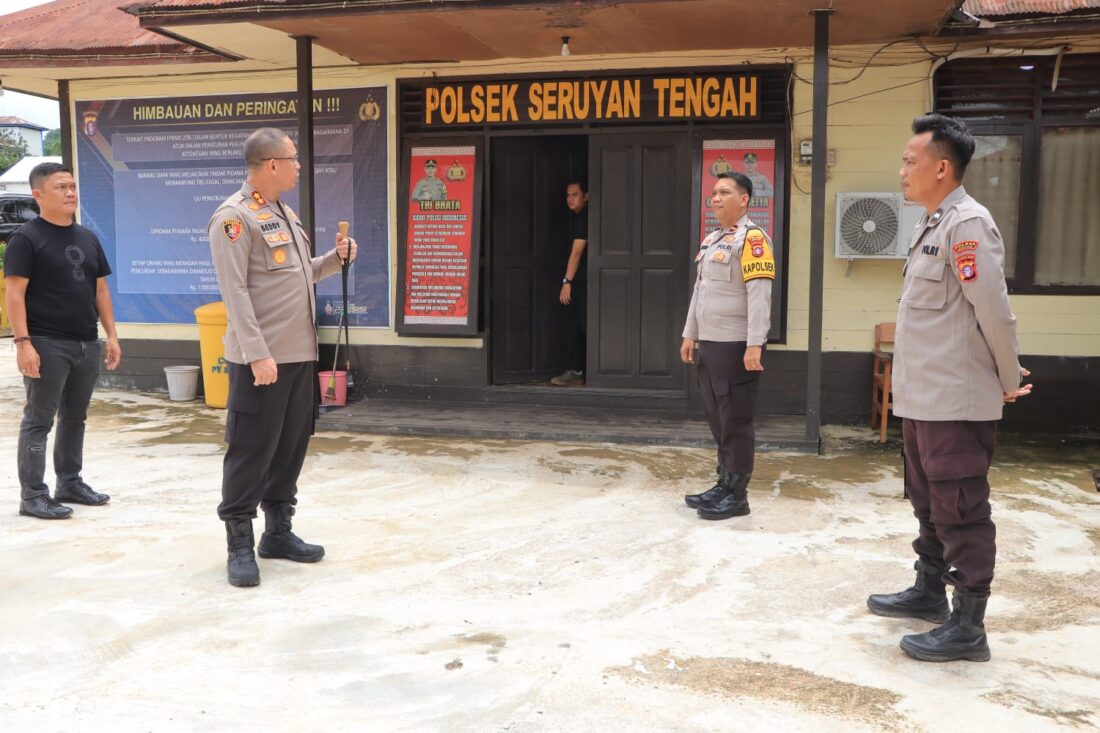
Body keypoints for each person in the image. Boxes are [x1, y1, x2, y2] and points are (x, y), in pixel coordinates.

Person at [866, 114, 1032, 662]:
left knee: (961, 509)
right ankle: (930, 590)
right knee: (928, 502)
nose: (901, 171)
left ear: (941, 168)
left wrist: (1008, 378)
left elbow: (994, 310)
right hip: (923, 397)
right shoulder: (931, 224)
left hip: (955, 401)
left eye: (909, 162)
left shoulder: (969, 225)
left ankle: (968, 627)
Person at [207, 127, 357, 588]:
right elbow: (235, 293)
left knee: (290, 446)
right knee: (251, 449)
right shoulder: (233, 218)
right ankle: (239, 544)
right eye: (293, 158)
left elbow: (298, 276)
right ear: (271, 164)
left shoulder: (281, 213)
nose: (298, 166)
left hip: (298, 355)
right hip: (263, 360)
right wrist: (257, 354)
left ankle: (277, 533)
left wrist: (334, 259)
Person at [4, 161, 121, 520]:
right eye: (61, 187)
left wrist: (111, 335)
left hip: (86, 341)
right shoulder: (26, 239)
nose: (70, 193)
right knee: (39, 420)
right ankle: (33, 495)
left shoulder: (87, 237)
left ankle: (69, 482)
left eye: (72, 186)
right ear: (38, 195)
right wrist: (23, 342)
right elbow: (14, 295)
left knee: (75, 417)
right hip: (45, 342)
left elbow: (100, 289)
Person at [680, 172, 774, 520]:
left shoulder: (753, 239)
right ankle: (724, 484)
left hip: (735, 346)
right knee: (718, 419)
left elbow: (760, 295)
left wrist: (755, 343)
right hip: (710, 344)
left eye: (724, 192)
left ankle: (737, 496)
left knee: (735, 420)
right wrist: (690, 334)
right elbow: (699, 291)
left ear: (744, 199)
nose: (715, 198)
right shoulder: (713, 239)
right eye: (714, 193)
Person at [551, 179, 589, 387]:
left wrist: (567, 281)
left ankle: (577, 370)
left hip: (581, 282)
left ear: (586, 196)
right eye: (568, 195)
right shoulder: (578, 217)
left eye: (575, 194)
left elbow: (576, 253)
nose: (570, 199)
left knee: (578, 324)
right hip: (582, 281)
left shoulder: (584, 217)